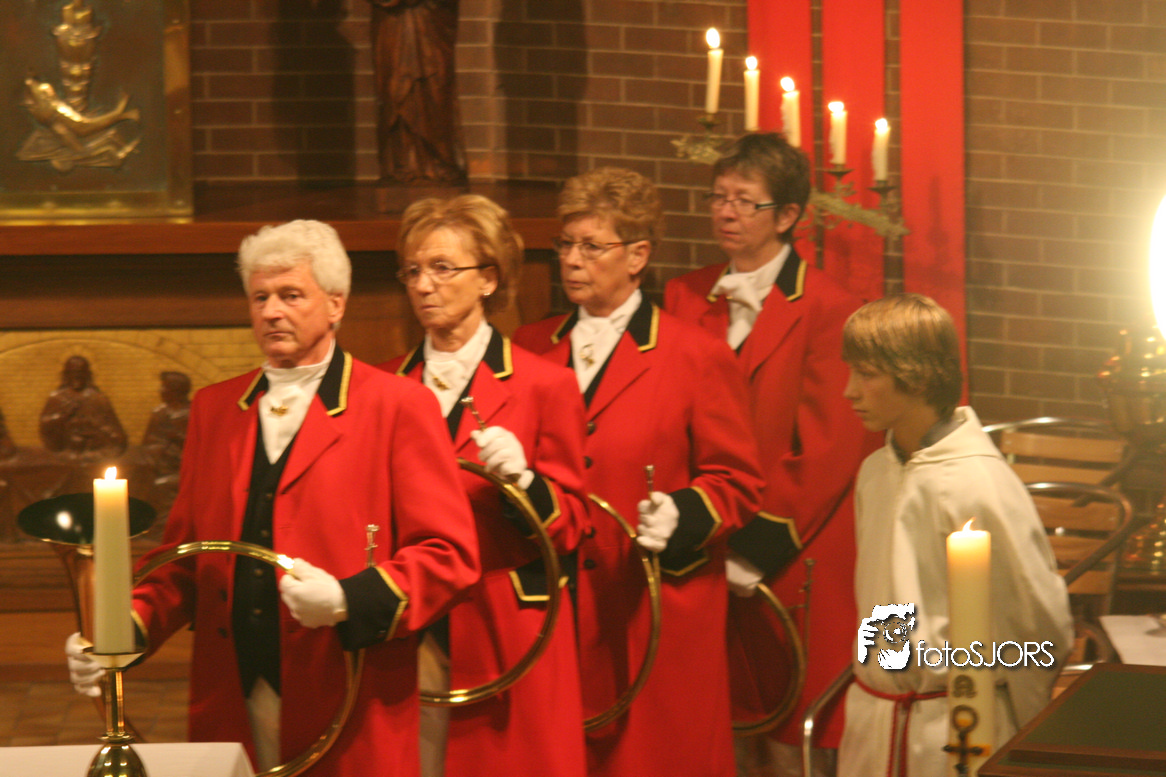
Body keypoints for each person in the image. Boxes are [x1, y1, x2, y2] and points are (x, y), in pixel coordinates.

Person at [65, 219, 480, 777]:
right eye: (260, 298)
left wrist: (349, 598)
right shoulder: (215, 409)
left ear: (335, 305)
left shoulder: (397, 405)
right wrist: (118, 633)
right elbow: (184, 564)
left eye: (291, 295)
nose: (272, 312)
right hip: (233, 691)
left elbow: (449, 555)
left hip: (348, 693)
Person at [512, 167, 764, 777]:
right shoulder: (529, 346)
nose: (572, 260)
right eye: (565, 244)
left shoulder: (695, 355)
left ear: (638, 256)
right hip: (559, 605)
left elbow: (738, 482)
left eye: (590, 246)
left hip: (652, 606)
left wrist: (683, 511)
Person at [664, 131, 877, 775]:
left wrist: (754, 547)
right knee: (711, 723)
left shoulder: (832, 308)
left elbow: (828, 448)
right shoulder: (683, 296)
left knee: (789, 734)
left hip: (789, 550)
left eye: (744, 201)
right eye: (718, 197)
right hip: (701, 544)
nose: (725, 212)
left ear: (786, 216)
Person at [380, 194, 590, 777]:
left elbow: (574, 522)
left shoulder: (544, 385)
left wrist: (525, 484)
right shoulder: (384, 386)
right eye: (413, 271)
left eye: (442, 268)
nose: (424, 285)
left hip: (506, 627)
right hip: (411, 624)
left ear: (489, 279)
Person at [836, 293, 1073, 777]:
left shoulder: (977, 482)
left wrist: (1029, 739)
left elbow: (1035, 623)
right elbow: (881, 606)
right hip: (876, 723)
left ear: (918, 376)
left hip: (955, 728)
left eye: (867, 374)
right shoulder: (875, 472)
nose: (849, 391)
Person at [368, 0, 467, 185]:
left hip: (430, 24)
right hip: (392, 24)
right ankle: (401, 166)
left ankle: (439, 163)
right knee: (395, 95)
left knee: (435, 94)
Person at [39, 354, 128, 460]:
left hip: (93, 447)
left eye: (80, 372)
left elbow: (116, 431)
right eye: (73, 372)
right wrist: (63, 415)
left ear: (87, 375)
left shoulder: (99, 398)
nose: (77, 376)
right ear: (66, 375)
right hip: (65, 448)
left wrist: (98, 427)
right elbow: (45, 425)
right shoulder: (57, 398)